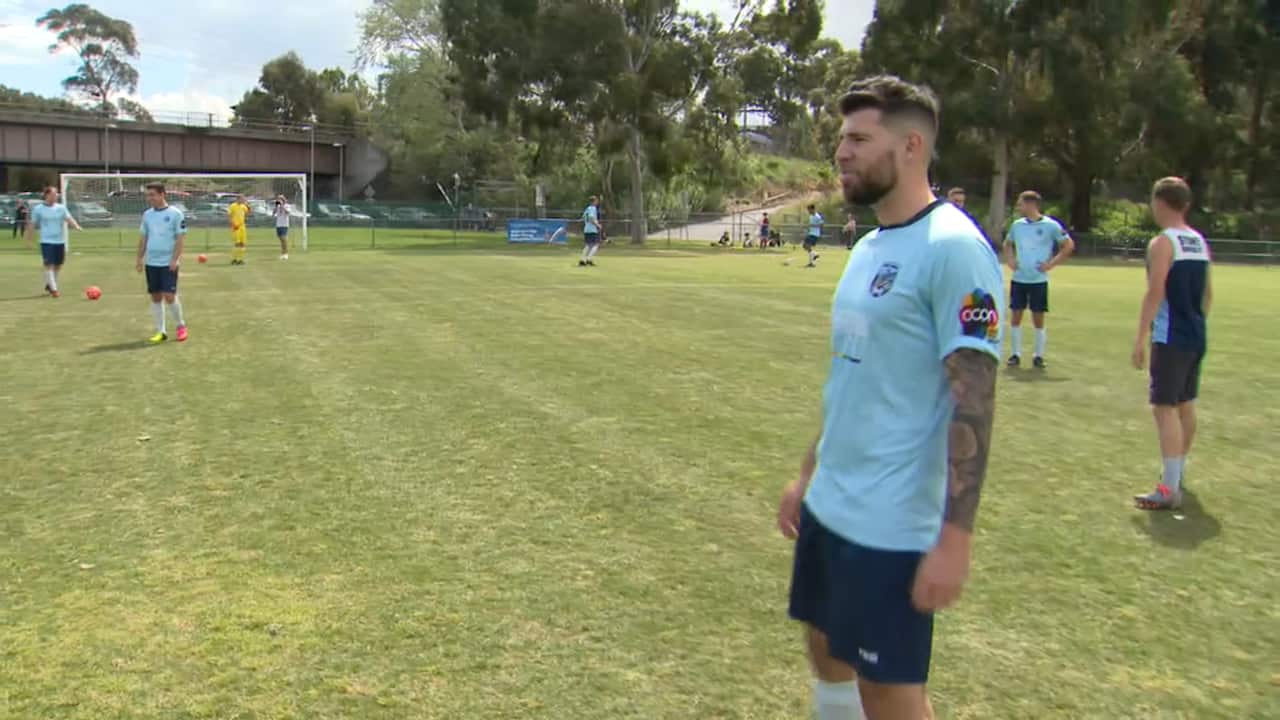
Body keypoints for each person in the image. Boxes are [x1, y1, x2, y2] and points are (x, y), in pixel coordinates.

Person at [778, 75, 1002, 720]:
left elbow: (975, 401)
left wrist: (955, 537)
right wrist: (806, 475)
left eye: (857, 138)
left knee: (891, 692)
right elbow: (854, 375)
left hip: (892, 523)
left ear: (909, 146)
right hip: (832, 504)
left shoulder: (955, 250)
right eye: (840, 138)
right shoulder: (870, 246)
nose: (840, 152)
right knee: (825, 651)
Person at [1131, 177, 1211, 510]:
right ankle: (1176, 473)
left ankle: (1168, 488)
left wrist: (1140, 336)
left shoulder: (1163, 243)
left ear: (1159, 202)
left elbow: (1156, 290)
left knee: (1164, 408)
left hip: (1171, 336)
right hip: (1195, 333)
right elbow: (1207, 294)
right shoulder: (1198, 241)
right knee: (1185, 404)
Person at [1003, 191, 1074, 369]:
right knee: (1016, 315)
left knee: (1038, 317)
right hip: (1019, 278)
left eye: (1021, 204)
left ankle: (1038, 355)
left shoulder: (1050, 225)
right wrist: (1010, 260)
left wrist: (1051, 264)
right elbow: (1007, 243)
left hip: (1038, 280)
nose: (1019, 207)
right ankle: (1015, 354)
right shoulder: (1017, 225)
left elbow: (1068, 245)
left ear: (1031, 204)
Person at [136, 182, 189, 343]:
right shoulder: (147, 215)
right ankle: (161, 331)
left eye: (152, 194)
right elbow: (144, 238)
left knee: (169, 295)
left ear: (162, 194)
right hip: (152, 262)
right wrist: (139, 258)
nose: (149, 198)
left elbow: (180, 238)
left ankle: (181, 326)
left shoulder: (175, 214)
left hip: (168, 262)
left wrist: (175, 259)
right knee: (156, 296)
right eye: (148, 195)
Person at [25, 187, 83, 298]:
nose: (55, 196)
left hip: (59, 241)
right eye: (53, 194)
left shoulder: (61, 208)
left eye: (56, 194)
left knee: (58, 265)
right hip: (46, 241)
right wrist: (29, 239)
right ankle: (54, 289)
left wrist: (76, 226)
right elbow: (32, 224)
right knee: (49, 265)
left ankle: (50, 284)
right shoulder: (38, 209)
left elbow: (68, 218)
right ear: (46, 195)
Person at [578, 196, 602, 267]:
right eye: (596, 201)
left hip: (586, 229)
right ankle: (589, 259)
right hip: (592, 229)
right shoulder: (593, 208)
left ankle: (582, 260)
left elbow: (583, 217)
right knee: (596, 244)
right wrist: (598, 225)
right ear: (594, 201)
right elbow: (591, 218)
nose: (597, 202)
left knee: (588, 245)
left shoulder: (587, 208)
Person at [228, 194, 249, 265]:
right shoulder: (233, 206)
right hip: (236, 227)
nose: (243, 200)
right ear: (238, 199)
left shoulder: (243, 206)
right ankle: (234, 259)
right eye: (242, 199)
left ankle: (240, 259)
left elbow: (247, 212)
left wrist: (247, 205)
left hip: (242, 227)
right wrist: (233, 224)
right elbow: (229, 216)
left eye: (243, 199)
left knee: (242, 244)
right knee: (237, 244)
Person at [272, 194, 290, 260]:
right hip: (278, 225)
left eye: (280, 199)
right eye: (278, 199)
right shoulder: (278, 206)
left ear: (283, 200)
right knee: (281, 240)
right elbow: (273, 214)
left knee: (284, 239)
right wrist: (276, 207)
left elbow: (288, 212)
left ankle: (286, 254)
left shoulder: (287, 205)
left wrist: (282, 206)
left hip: (284, 225)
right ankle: (282, 253)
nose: (278, 200)